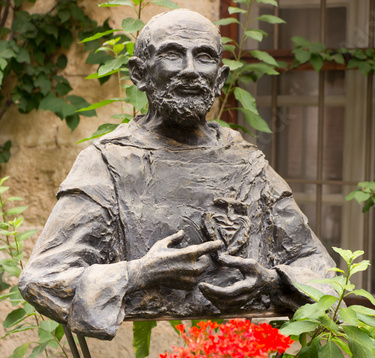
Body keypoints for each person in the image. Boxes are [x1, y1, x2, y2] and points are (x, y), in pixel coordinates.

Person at [19, 9, 335, 340]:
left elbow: (324, 274)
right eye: (172, 54)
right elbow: (41, 279)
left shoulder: (246, 163)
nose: (190, 70)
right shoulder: (107, 163)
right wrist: (141, 273)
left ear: (221, 78)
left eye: (204, 57)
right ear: (139, 73)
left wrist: (271, 281)